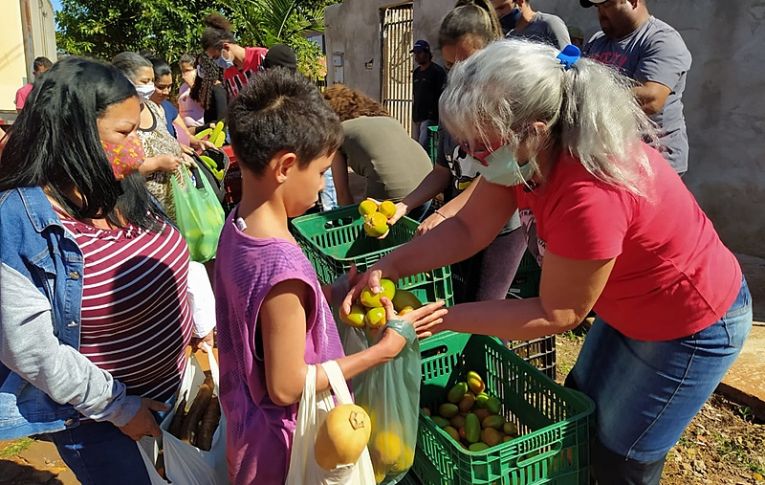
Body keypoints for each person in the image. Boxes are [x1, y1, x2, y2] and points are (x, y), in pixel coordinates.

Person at [344, 39, 751, 485]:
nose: (471, 157)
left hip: (690, 322)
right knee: (584, 408)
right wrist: (389, 267)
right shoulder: (520, 156)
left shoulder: (589, 193)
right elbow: (467, 229)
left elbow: (556, 312)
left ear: (535, 130)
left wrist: (439, 320)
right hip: (628, 305)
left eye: (480, 145)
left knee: (624, 454)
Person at [215, 67, 446, 484]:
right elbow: (286, 387)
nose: (322, 184)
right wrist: (383, 351)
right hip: (286, 449)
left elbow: (265, 318)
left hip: (247, 428)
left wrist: (332, 290)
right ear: (286, 165)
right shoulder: (280, 265)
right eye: (321, 172)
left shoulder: (238, 226)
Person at [0, 56, 200, 484]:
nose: (138, 148)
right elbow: (30, 349)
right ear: (75, 135)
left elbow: (168, 252)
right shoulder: (18, 219)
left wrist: (198, 318)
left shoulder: (118, 183)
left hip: (172, 391)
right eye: (125, 132)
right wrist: (120, 408)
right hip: (100, 423)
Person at [390, 0, 528, 304]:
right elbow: (443, 170)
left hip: (501, 228)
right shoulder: (450, 103)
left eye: (471, 63)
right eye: (452, 65)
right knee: (462, 302)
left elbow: (497, 176)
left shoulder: (506, 107)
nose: (461, 74)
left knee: (485, 310)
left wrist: (443, 212)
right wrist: (405, 205)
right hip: (460, 223)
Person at [581, 0, 692, 174]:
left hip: (654, 161)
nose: (601, 13)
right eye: (598, 7)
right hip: (609, 157)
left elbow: (650, 99)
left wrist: (583, 99)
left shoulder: (661, 40)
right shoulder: (597, 41)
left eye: (607, 5)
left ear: (633, 2)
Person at [323, 84, 433, 220]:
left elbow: (342, 192)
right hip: (427, 186)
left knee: (376, 232)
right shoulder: (388, 121)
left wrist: (348, 222)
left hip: (392, 193)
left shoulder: (338, 132)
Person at [113, 52, 189, 221]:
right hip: (148, 207)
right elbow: (119, 168)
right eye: (145, 81)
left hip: (177, 200)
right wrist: (156, 163)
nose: (151, 87)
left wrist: (180, 154)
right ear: (124, 81)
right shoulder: (117, 119)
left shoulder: (153, 108)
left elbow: (165, 139)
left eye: (152, 81)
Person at [147, 55, 210, 149]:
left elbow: (187, 135)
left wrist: (199, 143)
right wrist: (177, 147)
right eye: (160, 87)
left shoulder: (168, 107)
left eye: (169, 86)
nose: (166, 92)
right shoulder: (140, 109)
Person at [201, 13, 268, 99]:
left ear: (226, 47)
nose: (217, 63)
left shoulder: (261, 57)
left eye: (216, 57)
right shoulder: (228, 75)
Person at [411, 40, 447, 150]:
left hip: (430, 116)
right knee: (417, 146)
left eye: (419, 53)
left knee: (424, 145)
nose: (416, 56)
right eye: (415, 53)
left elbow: (443, 93)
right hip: (418, 115)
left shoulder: (437, 72)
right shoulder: (416, 73)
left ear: (427, 53)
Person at [491, 0, 570, 48]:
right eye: (494, 10)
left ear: (520, 1)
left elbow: (568, 61)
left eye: (502, 8)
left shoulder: (549, 23)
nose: (498, 14)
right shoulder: (505, 35)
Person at [191, 53, 229, 128]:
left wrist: (196, 130)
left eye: (201, 66)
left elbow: (221, 121)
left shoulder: (218, 90)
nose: (198, 68)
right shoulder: (209, 89)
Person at [178, 53, 205, 131]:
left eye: (188, 70)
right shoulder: (183, 87)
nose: (184, 74)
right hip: (186, 130)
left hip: (200, 128)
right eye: (183, 71)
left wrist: (192, 85)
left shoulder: (202, 85)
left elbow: (205, 103)